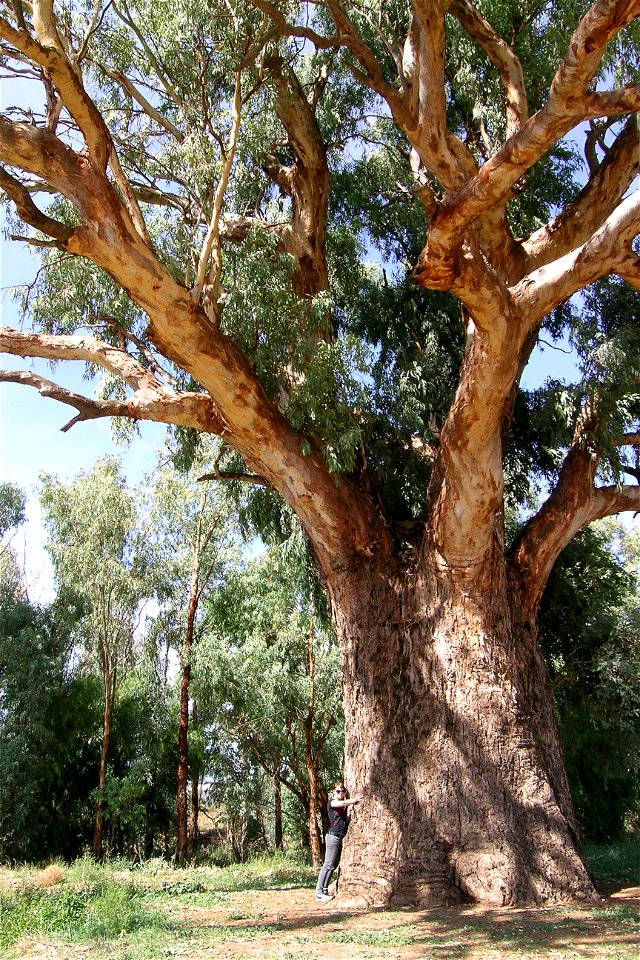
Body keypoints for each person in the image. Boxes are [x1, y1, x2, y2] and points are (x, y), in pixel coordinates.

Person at [315, 781, 362, 902]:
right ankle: (319, 893)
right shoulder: (332, 802)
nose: (340, 793)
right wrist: (355, 800)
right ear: (333, 792)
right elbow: (344, 802)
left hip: (339, 837)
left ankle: (324, 889)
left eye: (343, 791)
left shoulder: (342, 805)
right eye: (338, 791)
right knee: (328, 864)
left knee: (333, 865)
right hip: (333, 837)